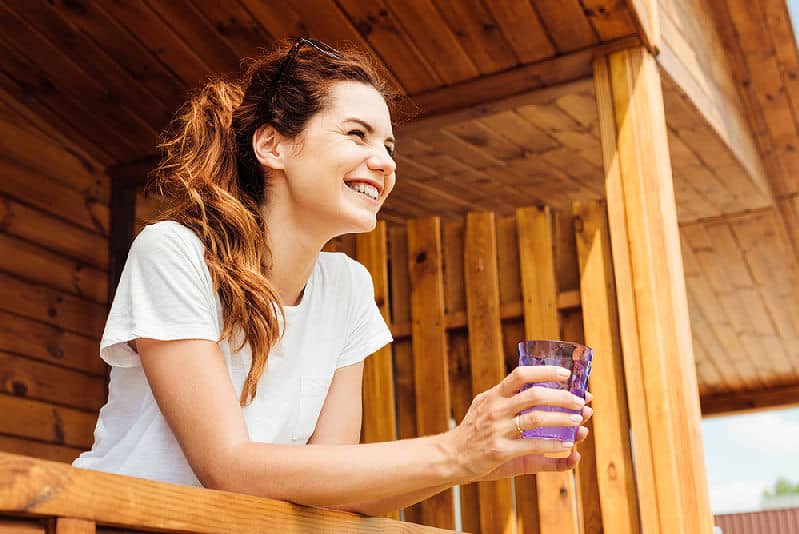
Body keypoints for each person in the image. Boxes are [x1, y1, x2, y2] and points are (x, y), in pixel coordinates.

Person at [73, 38, 592, 515]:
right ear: (272, 146)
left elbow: (334, 489)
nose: (383, 162)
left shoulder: (347, 288)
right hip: (120, 522)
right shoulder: (175, 253)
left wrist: (478, 463)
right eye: (357, 134)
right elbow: (226, 467)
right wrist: (456, 448)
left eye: (389, 147)